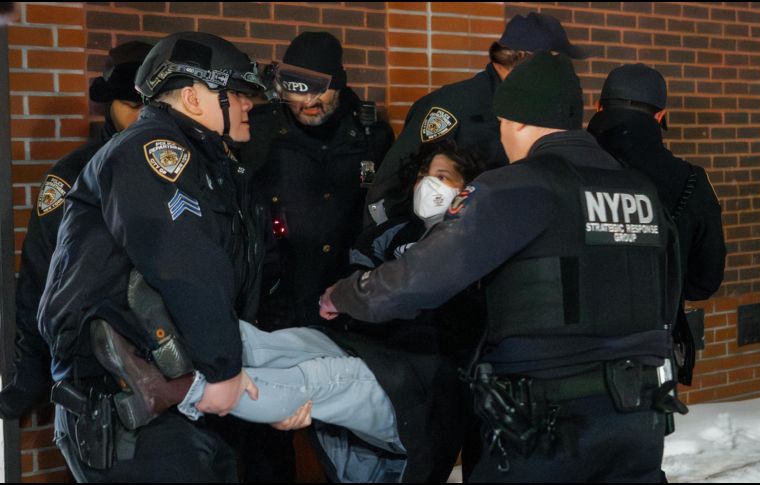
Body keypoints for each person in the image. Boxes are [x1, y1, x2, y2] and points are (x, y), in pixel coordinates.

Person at [320, 51, 685, 482]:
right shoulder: (639, 190)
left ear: (516, 121)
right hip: (637, 416)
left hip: (545, 424)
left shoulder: (515, 186)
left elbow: (418, 279)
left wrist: (345, 294)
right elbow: (672, 286)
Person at [91, 142, 485, 483]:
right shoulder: (394, 233)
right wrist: (352, 294)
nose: (428, 185)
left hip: (425, 387)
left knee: (322, 377)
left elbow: (404, 293)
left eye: (444, 177)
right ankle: (155, 335)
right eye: (424, 174)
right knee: (280, 344)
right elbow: (360, 285)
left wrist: (351, 295)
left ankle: (172, 391)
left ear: (467, 189)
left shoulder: (470, 242)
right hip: (374, 352)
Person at [37, 32, 267, 482]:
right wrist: (223, 368)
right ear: (192, 97)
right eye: (236, 93)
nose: (249, 104)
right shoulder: (153, 153)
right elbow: (183, 261)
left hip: (178, 399)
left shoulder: (209, 163)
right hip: (132, 413)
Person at [0, 41, 152, 420]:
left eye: (152, 105)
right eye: (133, 105)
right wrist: (29, 373)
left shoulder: (190, 170)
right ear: (109, 106)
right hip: (98, 375)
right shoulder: (73, 176)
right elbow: (40, 273)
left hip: (186, 374)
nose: (144, 116)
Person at [365, 12, 588, 226]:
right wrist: (387, 245)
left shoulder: (539, 112)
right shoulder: (453, 106)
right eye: (552, 64)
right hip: (445, 250)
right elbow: (391, 185)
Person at [238, 31, 394, 330]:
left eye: (320, 90)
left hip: (347, 303)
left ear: (339, 83)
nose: (309, 101)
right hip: (276, 305)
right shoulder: (257, 133)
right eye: (299, 90)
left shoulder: (372, 135)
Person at [587, 64, 726, 385]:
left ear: (598, 107)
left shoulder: (559, 166)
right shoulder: (692, 182)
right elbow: (704, 281)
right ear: (661, 116)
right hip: (651, 354)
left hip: (564, 353)